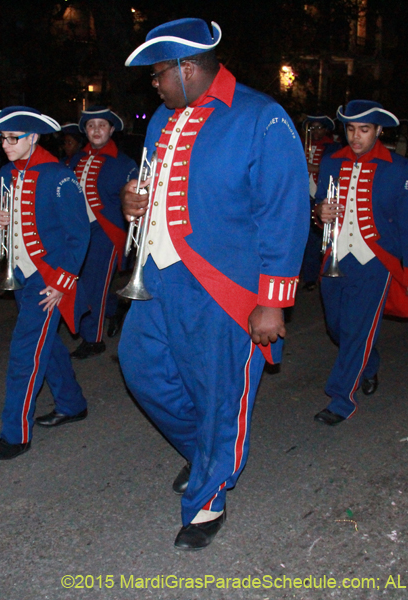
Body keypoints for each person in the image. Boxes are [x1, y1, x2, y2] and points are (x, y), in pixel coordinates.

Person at [119, 19, 308, 550]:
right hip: (158, 275)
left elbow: (284, 214)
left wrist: (273, 302)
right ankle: (207, 453)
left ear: (188, 66)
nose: (153, 84)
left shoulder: (260, 117)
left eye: (158, 73)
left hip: (226, 287)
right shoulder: (161, 117)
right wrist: (130, 201)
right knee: (141, 370)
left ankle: (208, 495)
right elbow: (155, 186)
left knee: (220, 393)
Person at [0, 106, 90, 460]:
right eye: (2, 138)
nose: (5, 144)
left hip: (48, 280)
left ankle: (15, 434)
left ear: (33, 137)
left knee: (24, 352)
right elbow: (13, 218)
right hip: (22, 274)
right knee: (48, 344)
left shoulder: (59, 176)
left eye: (13, 138)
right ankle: (72, 403)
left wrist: (61, 283)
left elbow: (79, 235)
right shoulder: (5, 172)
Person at [312, 100, 408, 427]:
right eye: (350, 129)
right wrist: (320, 213)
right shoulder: (332, 161)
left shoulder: (399, 168)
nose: (356, 137)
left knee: (356, 326)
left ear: (378, 130)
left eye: (364, 130)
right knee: (338, 326)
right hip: (335, 256)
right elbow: (321, 202)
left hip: (375, 261)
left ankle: (340, 399)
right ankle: (369, 362)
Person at [65, 106, 137, 360]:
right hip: (77, 231)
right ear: (85, 130)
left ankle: (93, 339)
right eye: (91, 125)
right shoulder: (75, 159)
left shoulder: (125, 164)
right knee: (79, 281)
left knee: (94, 284)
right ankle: (114, 308)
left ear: (112, 129)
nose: (96, 130)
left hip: (107, 231)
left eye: (102, 125)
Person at [299, 115, 340, 290]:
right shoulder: (300, 143)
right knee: (301, 237)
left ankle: (311, 277)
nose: (316, 132)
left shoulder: (332, 147)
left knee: (315, 239)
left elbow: (332, 170)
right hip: (301, 195)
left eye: (319, 128)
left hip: (318, 196)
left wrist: (311, 167)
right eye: (312, 128)